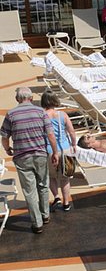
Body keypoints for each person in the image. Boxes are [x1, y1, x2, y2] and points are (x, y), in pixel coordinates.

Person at [1, 87, 59, 233]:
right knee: (43, 185)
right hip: (40, 154)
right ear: (31, 98)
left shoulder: (11, 114)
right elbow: (51, 135)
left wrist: (7, 149)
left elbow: (4, 137)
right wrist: (55, 152)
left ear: (17, 99)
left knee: (29, 191)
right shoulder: (41, 112)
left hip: (22, 157)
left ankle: (37, 223)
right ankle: (45, 215)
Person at [41, 91, 76, 211]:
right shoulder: (63, 115)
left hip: (50, 150)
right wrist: (74, 144)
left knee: (51, 176)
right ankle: (66, 203)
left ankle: (56, 197)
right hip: (65, 149)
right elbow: (71, 131)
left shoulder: (42, 115)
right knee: (65, 177)